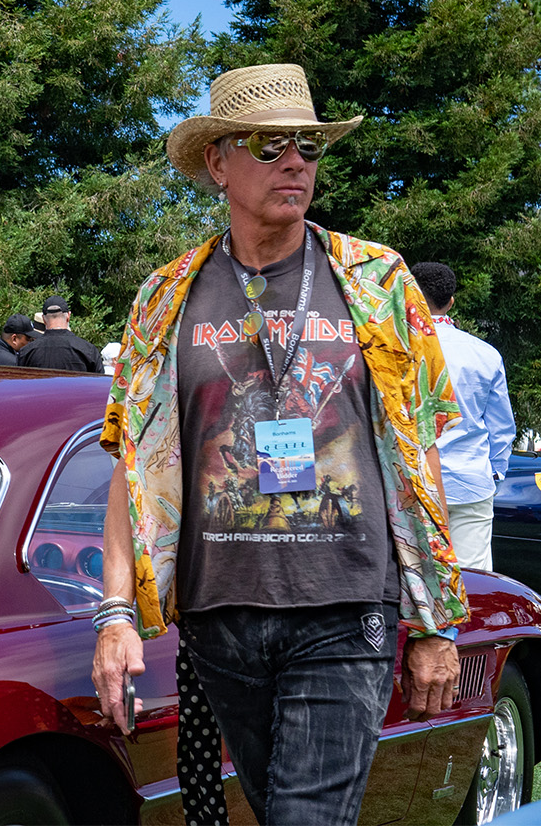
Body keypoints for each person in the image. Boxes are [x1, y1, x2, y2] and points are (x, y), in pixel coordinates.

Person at [92, 64, 466, 826]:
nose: (296, 162)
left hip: (344, 606)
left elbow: (420, 455)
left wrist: (436, 621)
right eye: (270, 146)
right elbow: (135, 466)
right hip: (219, 618)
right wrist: (115, 615)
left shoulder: (377, 279)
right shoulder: (164, 299)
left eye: (308, 146)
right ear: (216, 162)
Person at [411, 262, 516, 570]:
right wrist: (493, 473)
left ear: (411, 295)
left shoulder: (397, 350)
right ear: (451, 301)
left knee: (419, 576)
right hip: (472, 482)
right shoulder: (485, 353)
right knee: (474, 581)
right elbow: (501, 429)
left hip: (416, 482)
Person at [18, 296, 104, 373]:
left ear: (44, 319)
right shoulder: (89, 351)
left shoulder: (26, 352)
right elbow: (101, 386)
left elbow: (19, 386)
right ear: (68, 316)